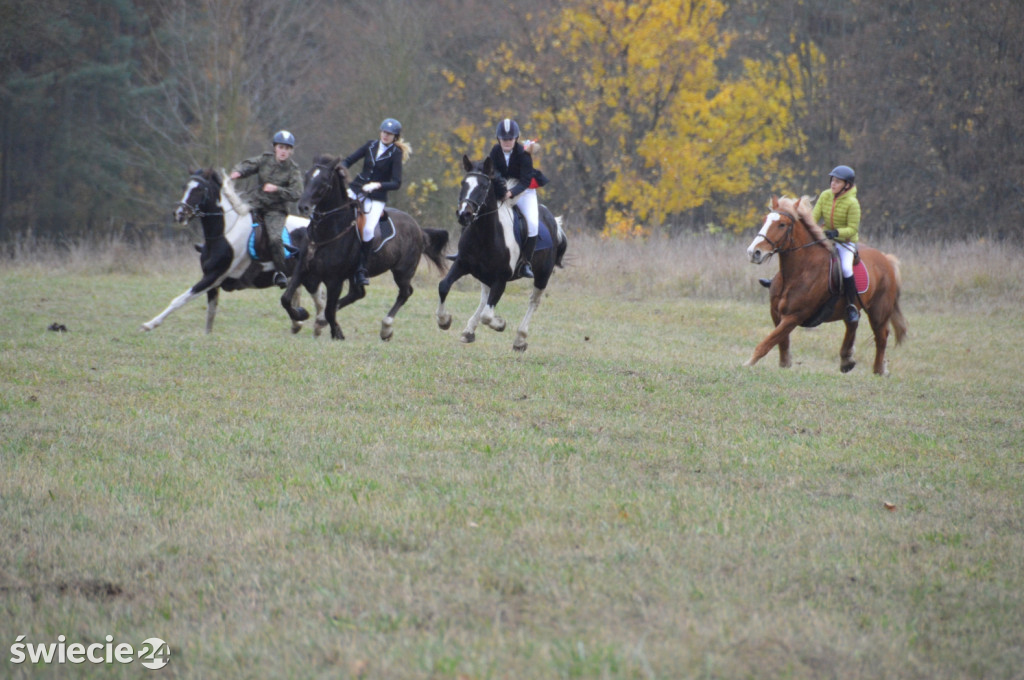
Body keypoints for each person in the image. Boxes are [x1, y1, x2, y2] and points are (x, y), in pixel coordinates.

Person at [230, 130, 304, 286]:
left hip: (275, 211)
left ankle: (281, 272)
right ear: (275, 148)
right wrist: (238, 172)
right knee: (231, 218)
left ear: (291, 151)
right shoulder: (264, 160)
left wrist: (277, 189)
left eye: (287, 148)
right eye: (281, 147)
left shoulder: (293, 170)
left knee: (275, 238)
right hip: (255, 204)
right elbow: (248, 165)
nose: (283, 151)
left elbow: (297, 193)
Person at [342, 117, 410, 286]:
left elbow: (396, 182)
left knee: (367, 229)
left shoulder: (396, 153)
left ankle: (361, 269)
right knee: (338, 212)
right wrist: (339, 169)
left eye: (390, 134)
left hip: (376, 197)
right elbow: (349, 160)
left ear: (395, 137)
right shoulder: (370, 145)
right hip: (357, 188)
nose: (386, 136)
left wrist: (377, 185)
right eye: (384, 132)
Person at [489, 118, 549, 278]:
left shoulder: (524, 153)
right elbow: (494, 172)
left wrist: (511, 193)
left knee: (532, 223)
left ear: (515, 138)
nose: (507, 141)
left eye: (510, 138)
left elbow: (525, 181)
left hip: (524, 191)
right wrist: (502, 189)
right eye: (504, 139)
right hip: (502, 188)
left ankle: (524, 263)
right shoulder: (495, 151)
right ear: (498, 139)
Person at [813, 164, 861, 323]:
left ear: (847, 185)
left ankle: (851, 306)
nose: (833, 184)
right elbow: (814, 217)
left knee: (847, 269)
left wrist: (837, 233)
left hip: (844, 243)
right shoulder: (825, 195)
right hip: (826, 238)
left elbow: (853, 229)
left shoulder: (853, 203)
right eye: (832, 180)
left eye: (838, 182)